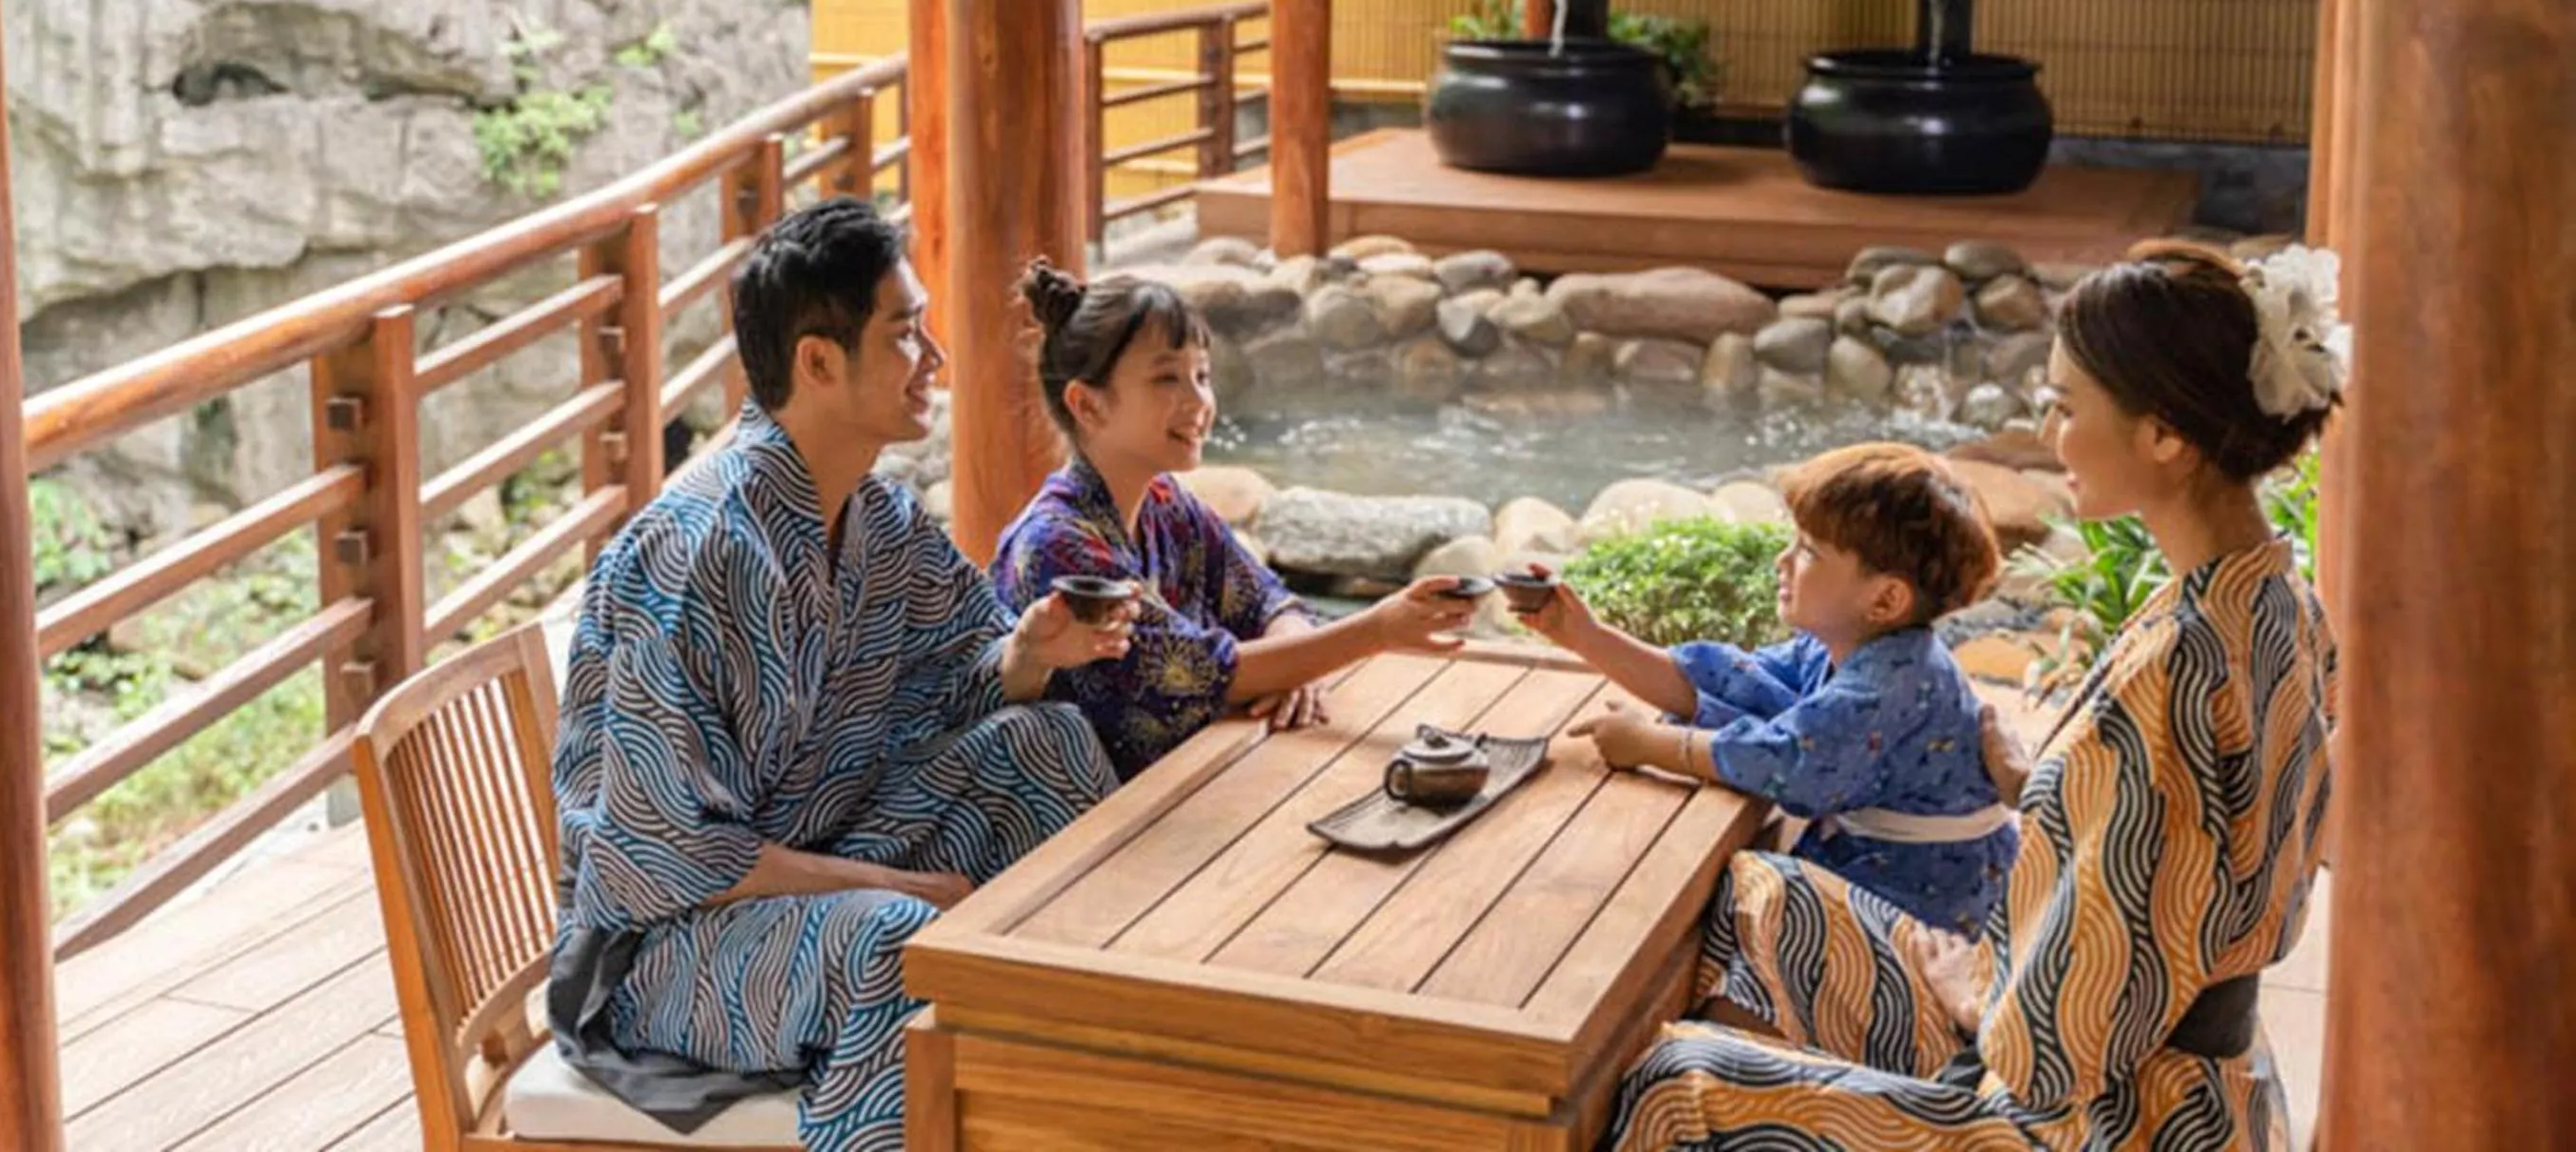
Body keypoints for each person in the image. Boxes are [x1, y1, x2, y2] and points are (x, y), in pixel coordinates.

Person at [1600, 242, 2343, 1152]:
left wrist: (1979, 998)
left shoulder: (2181, 663)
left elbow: (2064, 1047)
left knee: (1678, 1084)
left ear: (2165, 436)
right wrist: (2029, 779)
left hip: (2105, 1116)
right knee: (1764, 891)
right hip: (2161, 1063)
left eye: (2068, 406)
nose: (2048, 430)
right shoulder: (2274, 597)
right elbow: (2199, 856)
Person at [545, 200, 1127, 1152]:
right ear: (819, 363)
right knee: (892, 939)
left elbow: (956, 688)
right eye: (904, 335)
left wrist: (1027, 655)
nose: (933, 359)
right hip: (662, 952)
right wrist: (915, 893)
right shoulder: (703, 550)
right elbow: (666, 858)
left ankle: (1077, 1107)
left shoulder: (880, 520)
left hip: (824, 851)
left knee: (1050, 744)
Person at [990, 260, 1481, 777]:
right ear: (1087, 406)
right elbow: (1198, 671)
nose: (1199, 401)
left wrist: (1293, 667)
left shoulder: (1165, 503)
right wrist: (1376, 630)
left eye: (1202, 375)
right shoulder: (1055, 545)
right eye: (1166, 378)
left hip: (1189, 782)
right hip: (1084, 825)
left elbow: (1270, 599)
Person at [1528, 442, 2017, 935]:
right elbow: (1733, 683)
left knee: (1728, 902)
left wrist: (1650, 745)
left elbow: (1787, 763)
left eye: (1808, 551)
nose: (1783, 560)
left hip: (1921, 906)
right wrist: (1585, 637)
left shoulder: (1888, 684)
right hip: (1886, 866)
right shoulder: (1844, 646)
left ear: (1886, 599)